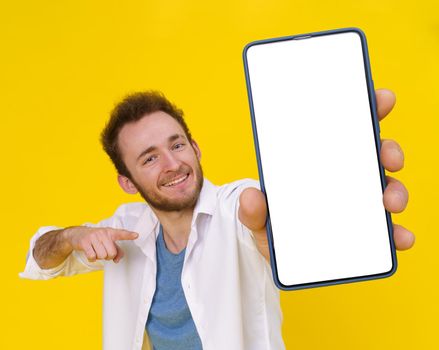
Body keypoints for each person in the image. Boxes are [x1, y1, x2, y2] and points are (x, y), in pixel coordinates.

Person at [20, 90, 414, 350]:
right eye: (150, 157)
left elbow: (267, 223)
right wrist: (73, 236)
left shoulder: (236, 205)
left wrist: (325, 198)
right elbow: (40, 260)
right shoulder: (125, 227)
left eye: (177, 144)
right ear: (127, 181)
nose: (173, 164)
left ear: (195, 146)